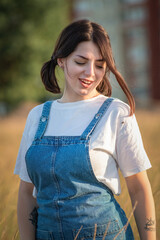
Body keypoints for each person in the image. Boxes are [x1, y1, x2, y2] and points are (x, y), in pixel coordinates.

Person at [14, 19, 156, 240]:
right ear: (61, 60)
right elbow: (26, 193)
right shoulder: (37, 116)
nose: (90, 73)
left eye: (100, 65)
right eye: (81, 62)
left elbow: (139, 189)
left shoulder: (117, 113)